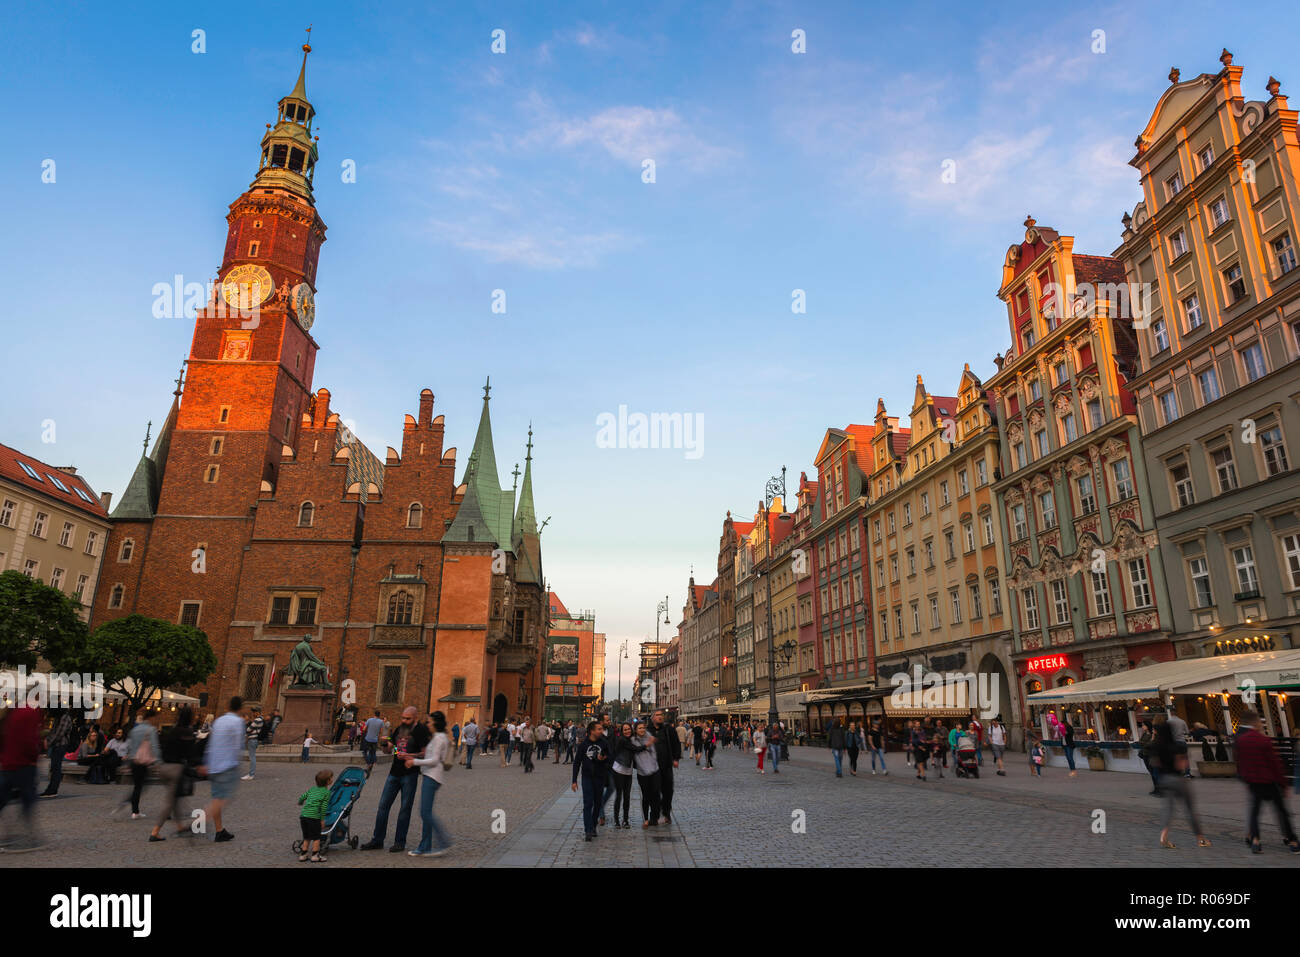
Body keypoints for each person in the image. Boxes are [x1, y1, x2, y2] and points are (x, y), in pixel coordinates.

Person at [359, 706, 430, 853]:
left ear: (415, 718)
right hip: (394, 773)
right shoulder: (399, 729)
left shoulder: (421, 730)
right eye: (403, 718)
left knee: (405, 809)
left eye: (407, 718)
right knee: (383, 807)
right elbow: (393, 749)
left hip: (410, 775)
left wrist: (411, 756)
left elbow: (425, 753)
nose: (404, 721)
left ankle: (400, 842)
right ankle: (377, 840)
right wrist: (386, 745)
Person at [1235, 710, 1300, 854]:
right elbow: (1275, 764)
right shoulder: (1264, 740)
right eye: (1259, 721)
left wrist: (1246, 780)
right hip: (1269, 781)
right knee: (1281, 812)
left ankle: (1256, 841)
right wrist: (1283, 784)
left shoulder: (1241, 740)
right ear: (1255, 722)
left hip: (1253, 781)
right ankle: (1293, 841)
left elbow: (1241, 762)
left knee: (1255, 812)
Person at [1148, 717, 1210, 849]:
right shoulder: (1175, 746)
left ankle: (1163, 836)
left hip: (1164, 780)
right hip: (1177, 780)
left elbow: (1154, 763)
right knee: (1189, 809)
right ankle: (1200, 839)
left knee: (1168, 810)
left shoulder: (1156, 746)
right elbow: (1180, 765)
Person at [406, 711, 453, 858]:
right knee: (425, 812)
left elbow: (434, 760)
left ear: (436, 723)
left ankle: (444, 841)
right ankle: (424, 846)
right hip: (430, 775)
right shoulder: (438, 737)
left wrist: (414, 762)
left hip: (433, 776)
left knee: (425, 812)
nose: (428, 724)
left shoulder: (439, 738)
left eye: (429, 722)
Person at [150, 706, 200, 842]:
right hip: (175, 769)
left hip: (163, 768)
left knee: (175, 798)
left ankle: (179, 827)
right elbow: (191, 754)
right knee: (170, 802)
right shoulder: (187, 732)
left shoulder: (172, 730)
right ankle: (155, 832)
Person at [199, 696, 246, 843]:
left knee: (217, 797)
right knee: (224, 798)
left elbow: (211, 743)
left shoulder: (218, 720)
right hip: (227, 765)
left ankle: (219, 831)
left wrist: (206, 763)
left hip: (214, 764)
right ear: (240, 708)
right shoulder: (238, 722)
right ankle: (197, 823)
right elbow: (237, 745)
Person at [0, 704, 45, 852]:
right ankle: (31, 837)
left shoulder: (13, 712)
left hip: (8, 762)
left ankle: (11, 835)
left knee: (2, 797)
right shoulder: (29, 713)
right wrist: (34, 756)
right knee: (28, 798)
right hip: (24, 763)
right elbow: (29, 739)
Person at [117, 709, 161, 821]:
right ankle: (132, 808)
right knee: (141, 786)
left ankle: (134, 810)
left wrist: (127, 762)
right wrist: (158, 761)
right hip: (143, 761)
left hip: (134, 761)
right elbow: (155, 747)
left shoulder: (134, 730)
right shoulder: (151, 730)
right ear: (151, 718)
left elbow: (130, 746)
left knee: (138, 785)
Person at [572, 721, 610, 841]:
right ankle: (588, 830)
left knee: (598, 804)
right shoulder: (583, 745)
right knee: (588, 803)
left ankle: (593, 825)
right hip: (587, 777)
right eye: (599, 729)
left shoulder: (604, 743)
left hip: (600, 777)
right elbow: (577, 763)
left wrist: (603, 759)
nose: (601, 731)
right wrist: (574, 781)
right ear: (592, 731)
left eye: (601, 729)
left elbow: (611, 758)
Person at [650, 710, 681, 822]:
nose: (660, 717)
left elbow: (676, 744)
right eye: (657, 715)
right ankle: (654, 815)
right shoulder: (648, 730)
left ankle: (666, 811)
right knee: (654, 791)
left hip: (666, 765)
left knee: (668, 791)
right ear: (652, 718)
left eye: (661, 715)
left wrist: (676, 758)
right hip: (653, 767)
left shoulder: (668, 729)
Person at [298, 769, 333, 862]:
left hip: (303, 816)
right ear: (328, 781)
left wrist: (300, 802)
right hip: (314, 817)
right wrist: (322, 820)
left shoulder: (312, 789)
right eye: (331, 778)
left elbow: (302, 797)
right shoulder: (327, 793)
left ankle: (303, 854)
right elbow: (323, 807)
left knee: (307, 837)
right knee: (316, 838)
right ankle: (315, 855)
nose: (332, 779)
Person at [39, 710, 76, 797]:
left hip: (60, 745)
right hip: (57, 745)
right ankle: (52, 789)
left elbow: (59, 734)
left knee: (56, 767)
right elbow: (54, 731)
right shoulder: (59, 717)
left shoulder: (64, 717)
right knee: (54, 767)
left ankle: (52, 790)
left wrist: (48, 742)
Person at [632, 721, 662, 828]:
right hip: (642, 772)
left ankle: (654, 818)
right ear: (635, 730)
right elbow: (636, 751)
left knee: (656, 794)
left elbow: (654, 752)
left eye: (643, 728)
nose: (642, 730)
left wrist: (654, 764)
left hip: (654, 770)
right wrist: (647, 745)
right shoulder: (633, 740)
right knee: (646, 796)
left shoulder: (649, 736)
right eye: (639, 728)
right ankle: (645, 819)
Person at [609, 723, 637, 828]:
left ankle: (625, 820)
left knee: (627, 797)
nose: (627, 731)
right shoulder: (622, 740)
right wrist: (646, 745)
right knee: (619, 796)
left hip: (628, 771)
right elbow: (636, 749)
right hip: (619, 770)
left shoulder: (632, 739)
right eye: (625, 730)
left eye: (628, 729)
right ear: (622, 731)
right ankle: (616, 820)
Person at [1166, 710, 1192, 778]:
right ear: (1176, 714)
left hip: (1173, 742)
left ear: (1171, 713)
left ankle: (1177, 772)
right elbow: (1187, 732)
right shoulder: (1182, 721)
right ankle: (1187, 773)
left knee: (1175, 758)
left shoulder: (1168, 722)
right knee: (1185, 758)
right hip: (1182, 741)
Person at [242, 706, 264, 781]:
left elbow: (249, 729)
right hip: (254, 739)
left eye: (254, 712)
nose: (253, 713)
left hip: (253, 740)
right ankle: (250, 774)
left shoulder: (257, 720)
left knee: (252, 757)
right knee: (252, 757)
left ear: (258, 712)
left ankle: (251, 774)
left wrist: (248, 726)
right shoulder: (260, 719)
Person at [361, 709, 385, 778]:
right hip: (375, 740)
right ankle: (372, 763)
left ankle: (368, 764)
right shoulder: (381, 722)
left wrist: (368, 730)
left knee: (365, 752)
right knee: (373, 752)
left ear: (374, 714)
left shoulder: (369, 720)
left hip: (368, 738)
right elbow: (381, 731)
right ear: (379, 715)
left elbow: (364, 729)